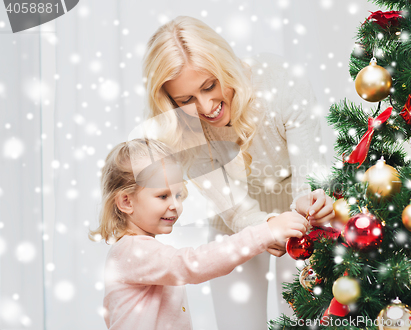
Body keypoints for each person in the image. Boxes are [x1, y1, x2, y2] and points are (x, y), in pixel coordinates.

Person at [142, 16, 335, 328]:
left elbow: (308, 174)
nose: (205, 106)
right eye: (186, 99)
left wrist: (309, 207)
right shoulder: (180, 130)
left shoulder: (279, 80)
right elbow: (235, 209)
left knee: (305, 320)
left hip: (302, 223)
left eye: (210, 86)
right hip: (235, 229)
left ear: (225, 67)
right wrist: (266, 227)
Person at [89, 138, 309, 330]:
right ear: (126, 201)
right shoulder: (131, 251)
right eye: (163, 196)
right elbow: (193, 264)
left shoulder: (135, 252)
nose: (175, 205)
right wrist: (266, 232)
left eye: (178, 195)